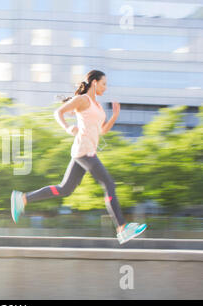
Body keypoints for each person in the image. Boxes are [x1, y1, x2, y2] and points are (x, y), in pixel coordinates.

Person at [11, 70, 146, 245]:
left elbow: (102, 130)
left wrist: (114, 117)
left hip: (85, 152)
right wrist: (68, 128)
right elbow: (58, 112)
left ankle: (22, 199)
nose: (106, 87)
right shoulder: (83, 100)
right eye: (104, 83)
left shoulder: (97, 105)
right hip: (84, 150)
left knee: (64, 189)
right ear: (95, 82)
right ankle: (122, 228)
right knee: (109, 184)